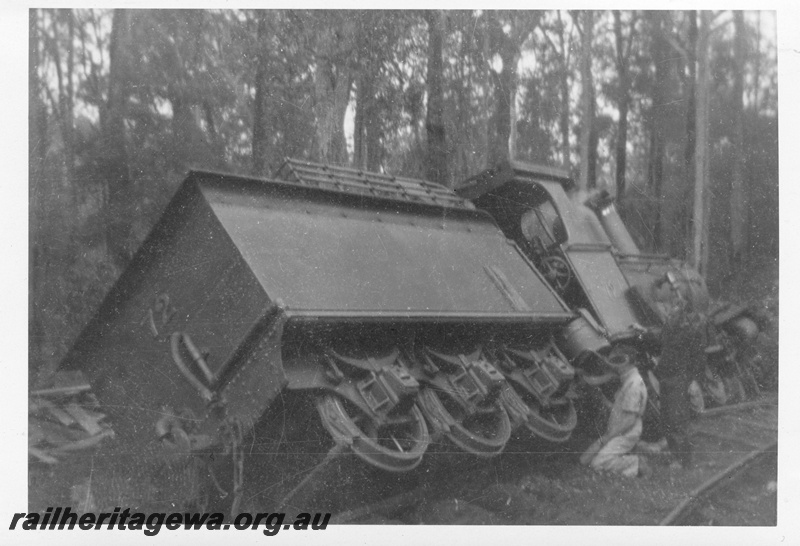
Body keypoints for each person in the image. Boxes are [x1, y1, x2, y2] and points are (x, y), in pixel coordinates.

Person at [580, 351, 648, 478]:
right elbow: (621, 410)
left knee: (598, 464)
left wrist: (608, 437)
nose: (613, 367)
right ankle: (622, 456)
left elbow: (630, 420)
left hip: (627, 431)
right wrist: (601, 398)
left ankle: (636, 463)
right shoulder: (629, 380)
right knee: (584, 460)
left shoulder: (634, 384)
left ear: (625, 364)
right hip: (620, 429)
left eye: (616, 364)